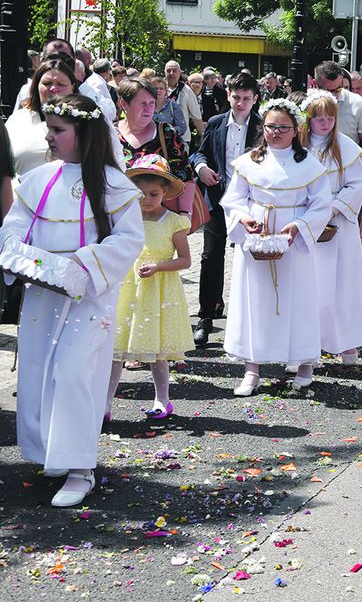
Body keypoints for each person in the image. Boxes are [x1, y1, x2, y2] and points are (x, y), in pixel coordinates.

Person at [0, 93, 144, 507]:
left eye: (58, 129)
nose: (49, 136)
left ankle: (82, 468)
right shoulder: (40, 180)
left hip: (89, 300)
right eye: (48, 127)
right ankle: (55, 451)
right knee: (42, 371)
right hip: (43, 296)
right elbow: (13, 228)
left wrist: (81, 265)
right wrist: (23, 258)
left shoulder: (114, 184)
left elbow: (129, 239)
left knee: (74, 374)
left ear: (83, 132)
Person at [220, 98, 332, 395]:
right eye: (271, 126)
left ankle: (304, 364)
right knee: (254, 301)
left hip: (292, 241)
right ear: (263, 127)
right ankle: (251, 369)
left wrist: (300, 225)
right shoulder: (250, 161)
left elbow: (321, 203)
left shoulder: (308, 163)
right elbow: (233, 200)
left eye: (284, 127)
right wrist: (244, 218)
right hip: (258, 237)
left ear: (296, 130)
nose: (277, 132)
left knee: (299, 300)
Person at [108, 154, 192, 420]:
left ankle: (162, 399)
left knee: (157, 350)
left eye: (153, 194)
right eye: (140, 193)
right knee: (117, 350)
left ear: (165, 191)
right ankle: (105, 404)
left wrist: (158, 267)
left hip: (158, 293)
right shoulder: (125, 218)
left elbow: (186, 260)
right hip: (128, 290)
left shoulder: (174, 222)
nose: (146, 199)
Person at [299, 91, 362, 365]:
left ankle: (346, 342)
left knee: (342, 284)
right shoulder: (298, 147)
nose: (324, 123)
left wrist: (331, 208)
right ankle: (308, 344)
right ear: (308, 119)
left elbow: (356, 183)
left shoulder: (346, 147)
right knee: (308, 285)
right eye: (318, 118)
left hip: (336, 222)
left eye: (330, 118)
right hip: (306, 222)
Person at [189, 73, 262, 345]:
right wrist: (201, 168)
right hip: (219, 199)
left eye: (246, 98)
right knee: (210, 257)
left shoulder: (262, 127)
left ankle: (252, 318)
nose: (241, 103)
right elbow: (199, 152)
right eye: (236, 97)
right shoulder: (217, 123)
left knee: (251, 258)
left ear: (255, 99)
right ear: (228, 96)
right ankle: (205, 317)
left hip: (250, 204)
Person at [10, 59, 82, 179]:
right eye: (47, 83)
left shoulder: (86, 120)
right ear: (36, 85)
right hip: (23, 194)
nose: (54, 88)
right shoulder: (18, 119)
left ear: (73, 87)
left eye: (61, 84)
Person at [165, 60, 204, 144]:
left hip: (182, 139)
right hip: (161, 138)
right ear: (164, 72)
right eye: (168, 71)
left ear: (179, 73)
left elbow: (196, 116)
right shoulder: (158, 89)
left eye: (175, 71)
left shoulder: (186, 90)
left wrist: (204, 137)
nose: (171, 73)